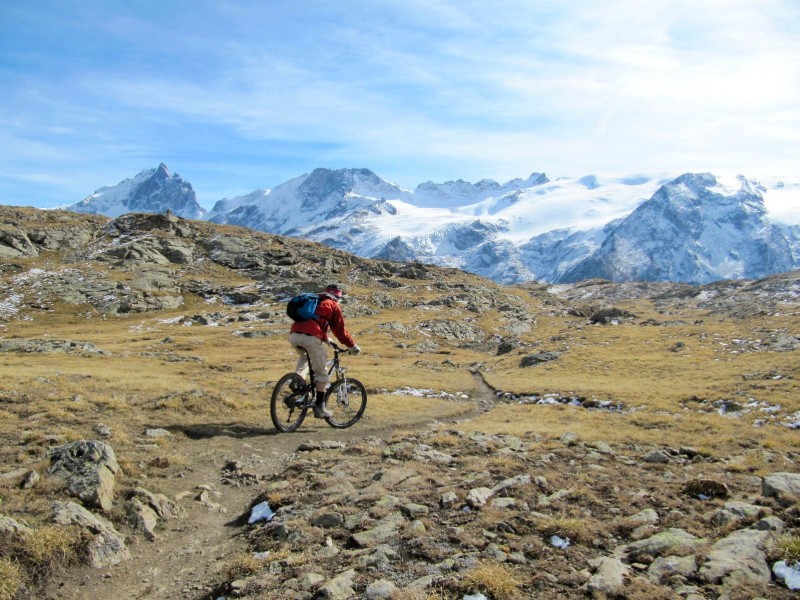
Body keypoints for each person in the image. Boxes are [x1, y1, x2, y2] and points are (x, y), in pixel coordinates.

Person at [288, 283, 361, 418]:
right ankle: (320, 408)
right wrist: (352, 346)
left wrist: (327, 339)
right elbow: (340, 332)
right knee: (321, 374)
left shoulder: (315, 301)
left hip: (294, 335)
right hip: (311, 338)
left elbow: (313, 323)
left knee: (305, 357)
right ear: (338, 297)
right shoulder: (332, 305)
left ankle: (298, 380)